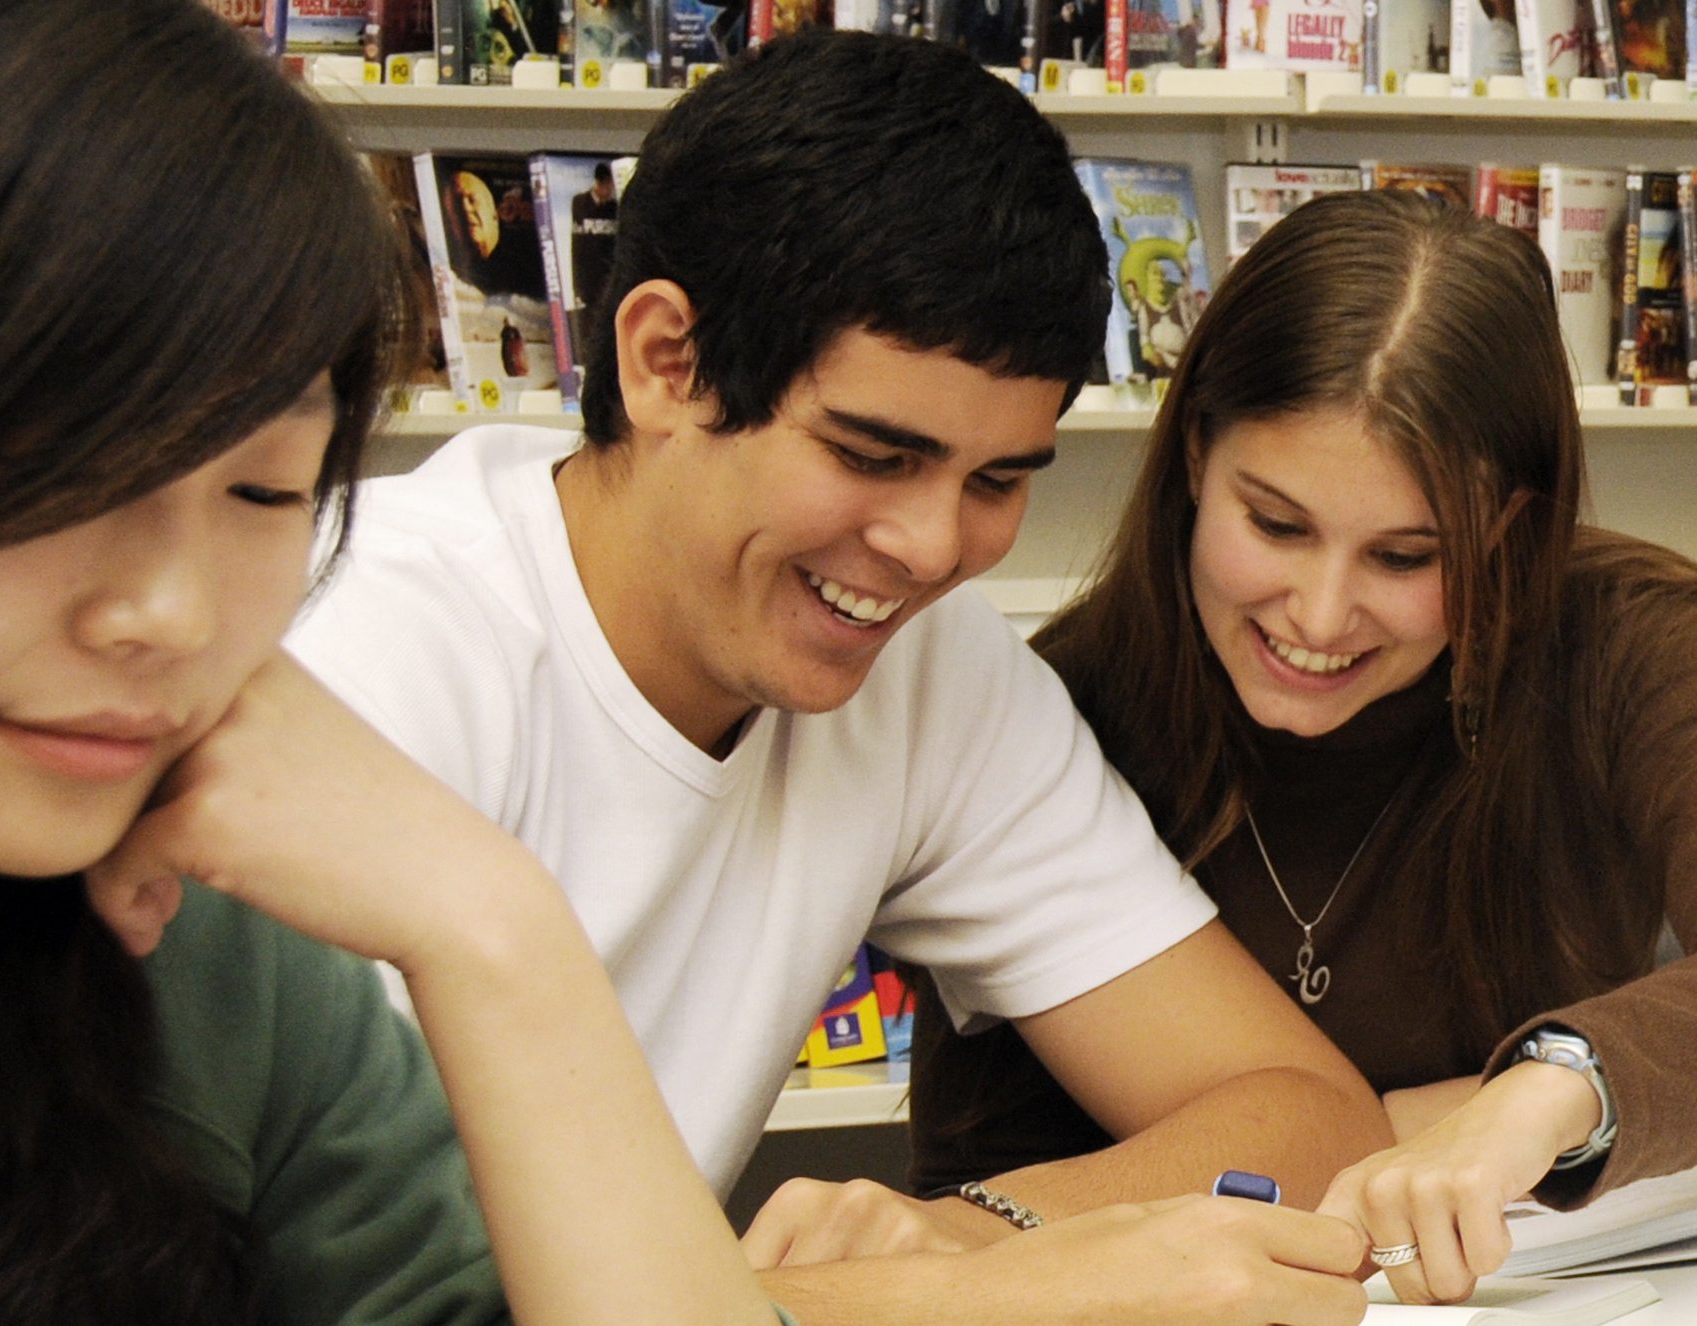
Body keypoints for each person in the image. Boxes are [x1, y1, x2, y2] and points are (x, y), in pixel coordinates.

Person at [277, 28, 1400, 1314]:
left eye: (995, 482)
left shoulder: (929, 676)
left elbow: (1311, 1117)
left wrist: (986, 1234)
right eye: (872, 454)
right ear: (663, 361)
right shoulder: (363, 648)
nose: (931, 550)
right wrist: (990, 1299)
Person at [905, 190, 1697, 1305]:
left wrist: (1541, 1095)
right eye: (1275, 526)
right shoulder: (1045, 707)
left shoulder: (1628, 638)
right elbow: (975, 1186)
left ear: (1510, 530)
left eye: (1405, 557)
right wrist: (1398, 1126)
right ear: (1193, 455)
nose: (1320, 617)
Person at [0, 3, 776, 1319]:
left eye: (263, 493)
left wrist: (492, 924)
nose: (166, 614)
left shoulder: (206, 941)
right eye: (68, 473)